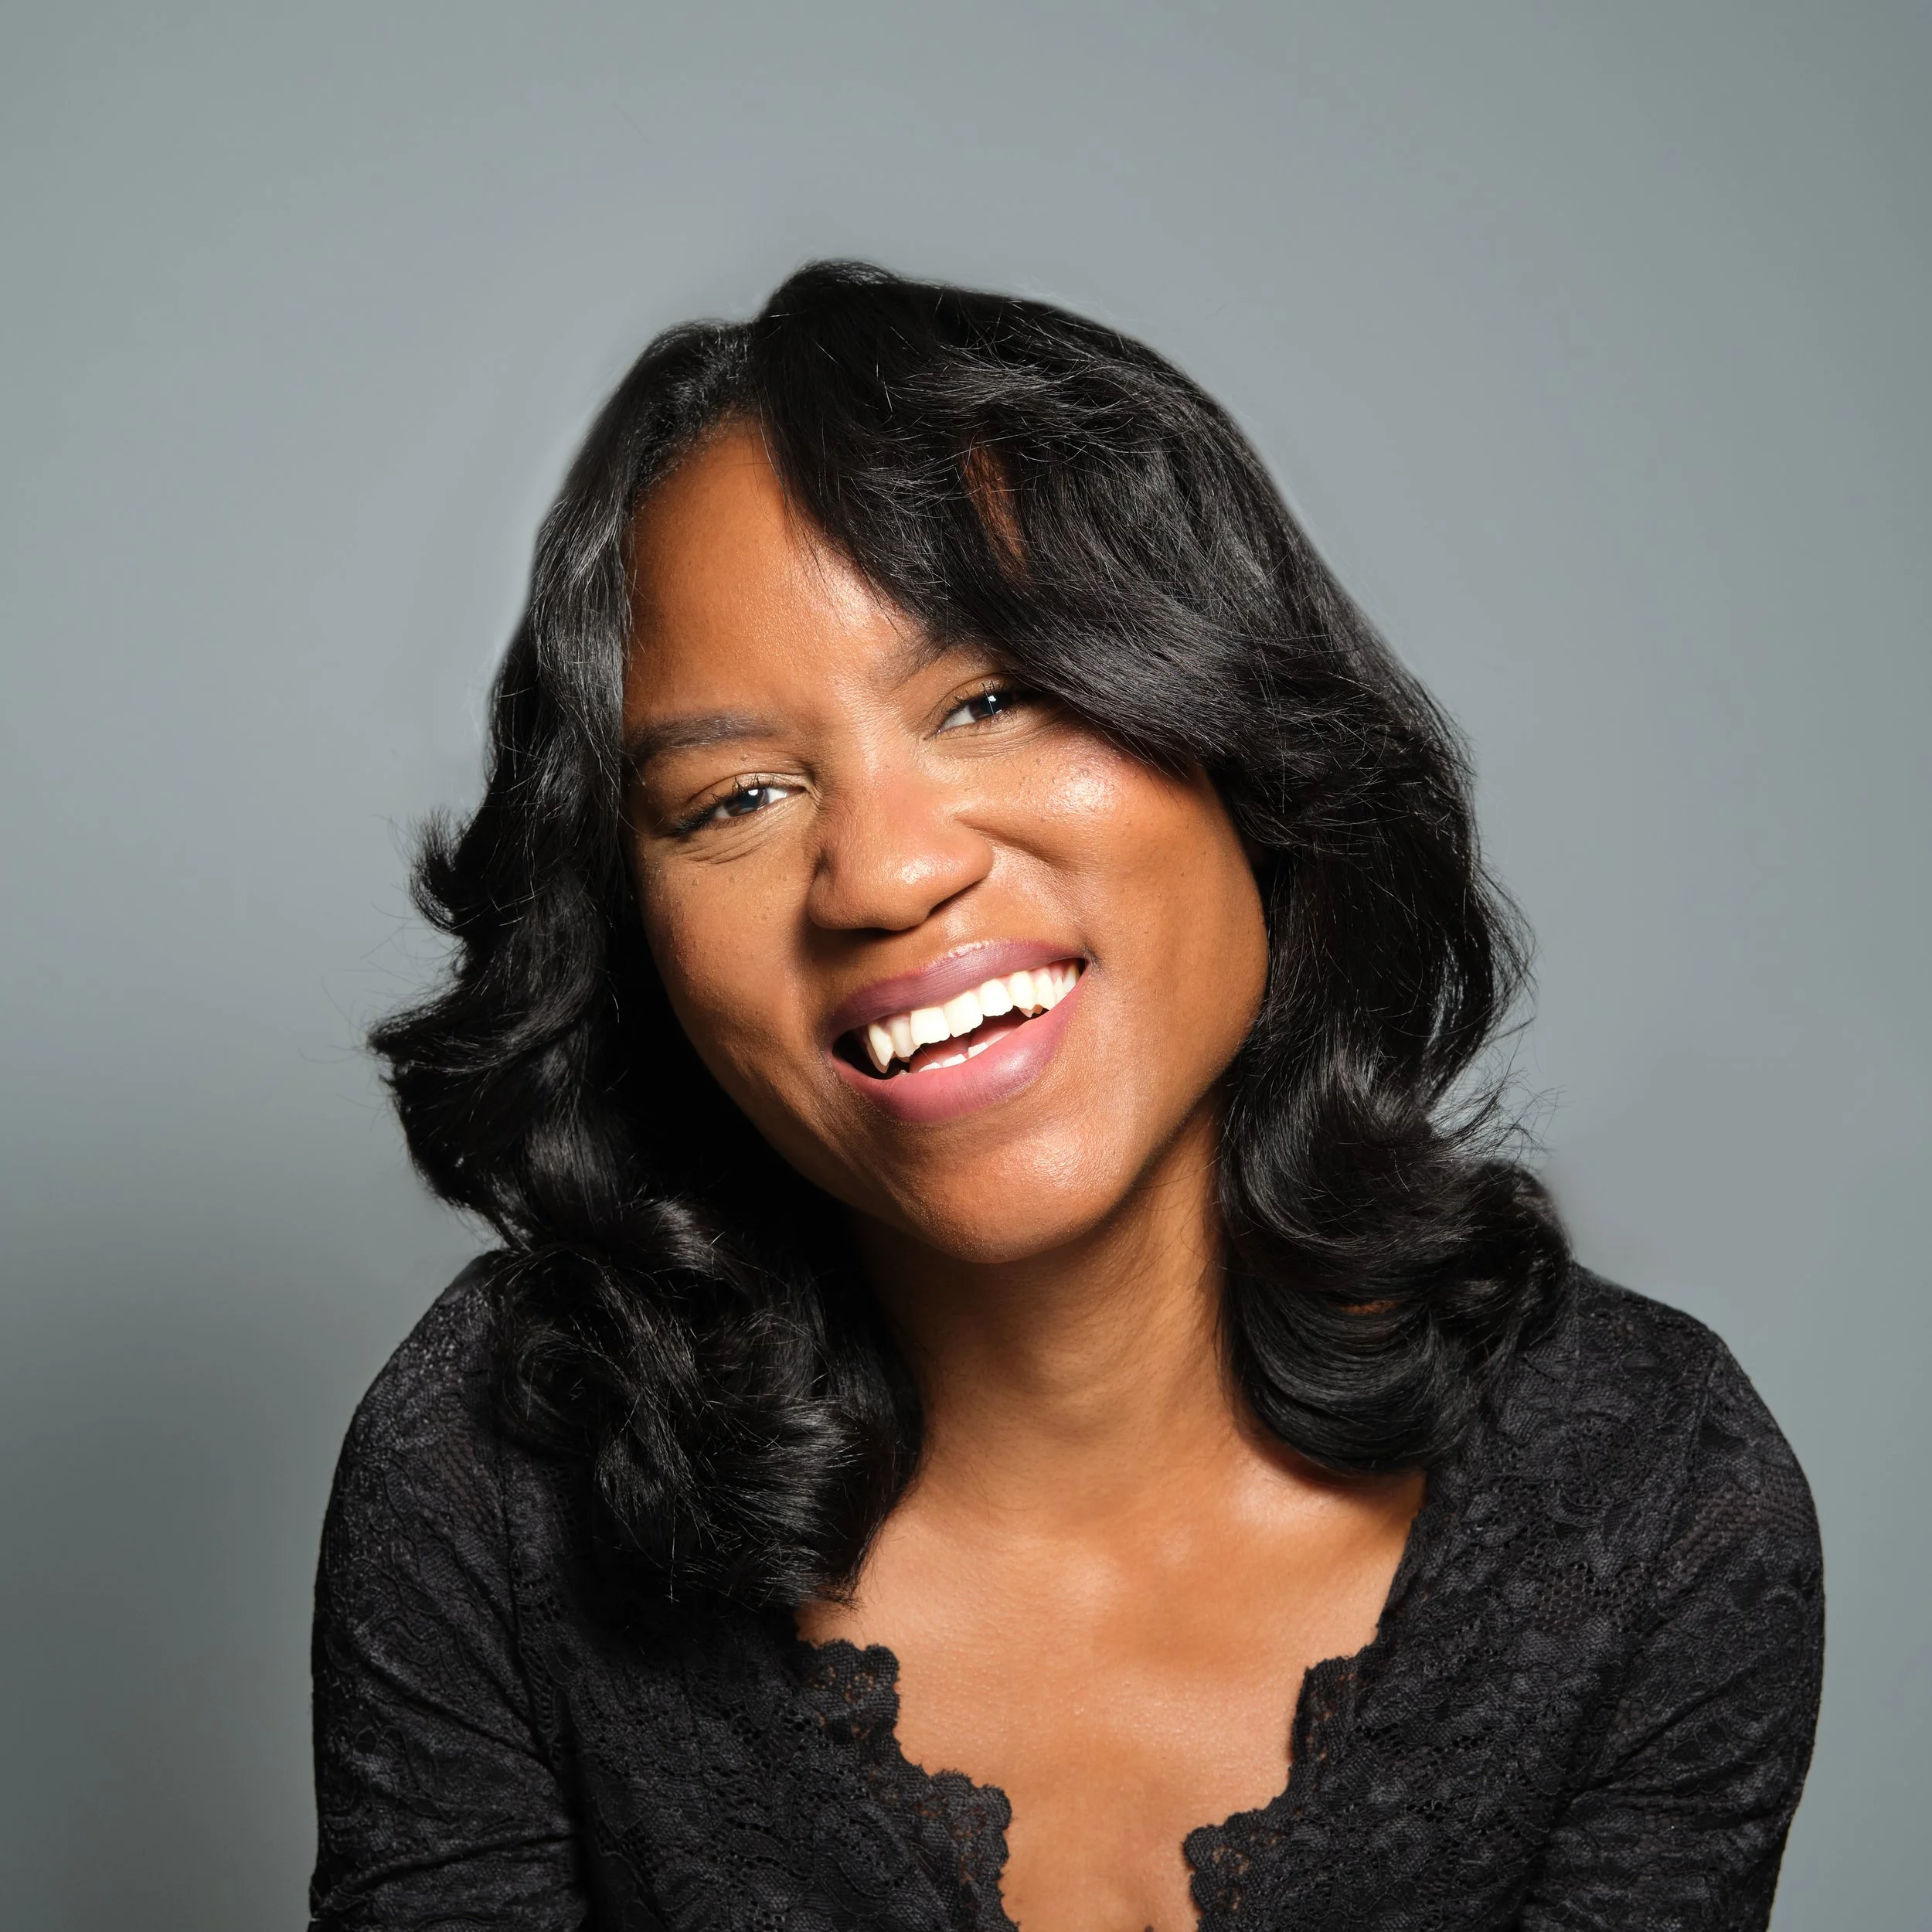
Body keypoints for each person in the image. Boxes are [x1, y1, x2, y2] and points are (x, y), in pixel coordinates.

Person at [311, 263, 1822, 1931]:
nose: (883, 872)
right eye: (736, 793)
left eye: (988, 697)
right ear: (638, 939)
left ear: (1241, 735)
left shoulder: (1647, 1500)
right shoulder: (498, 1456)